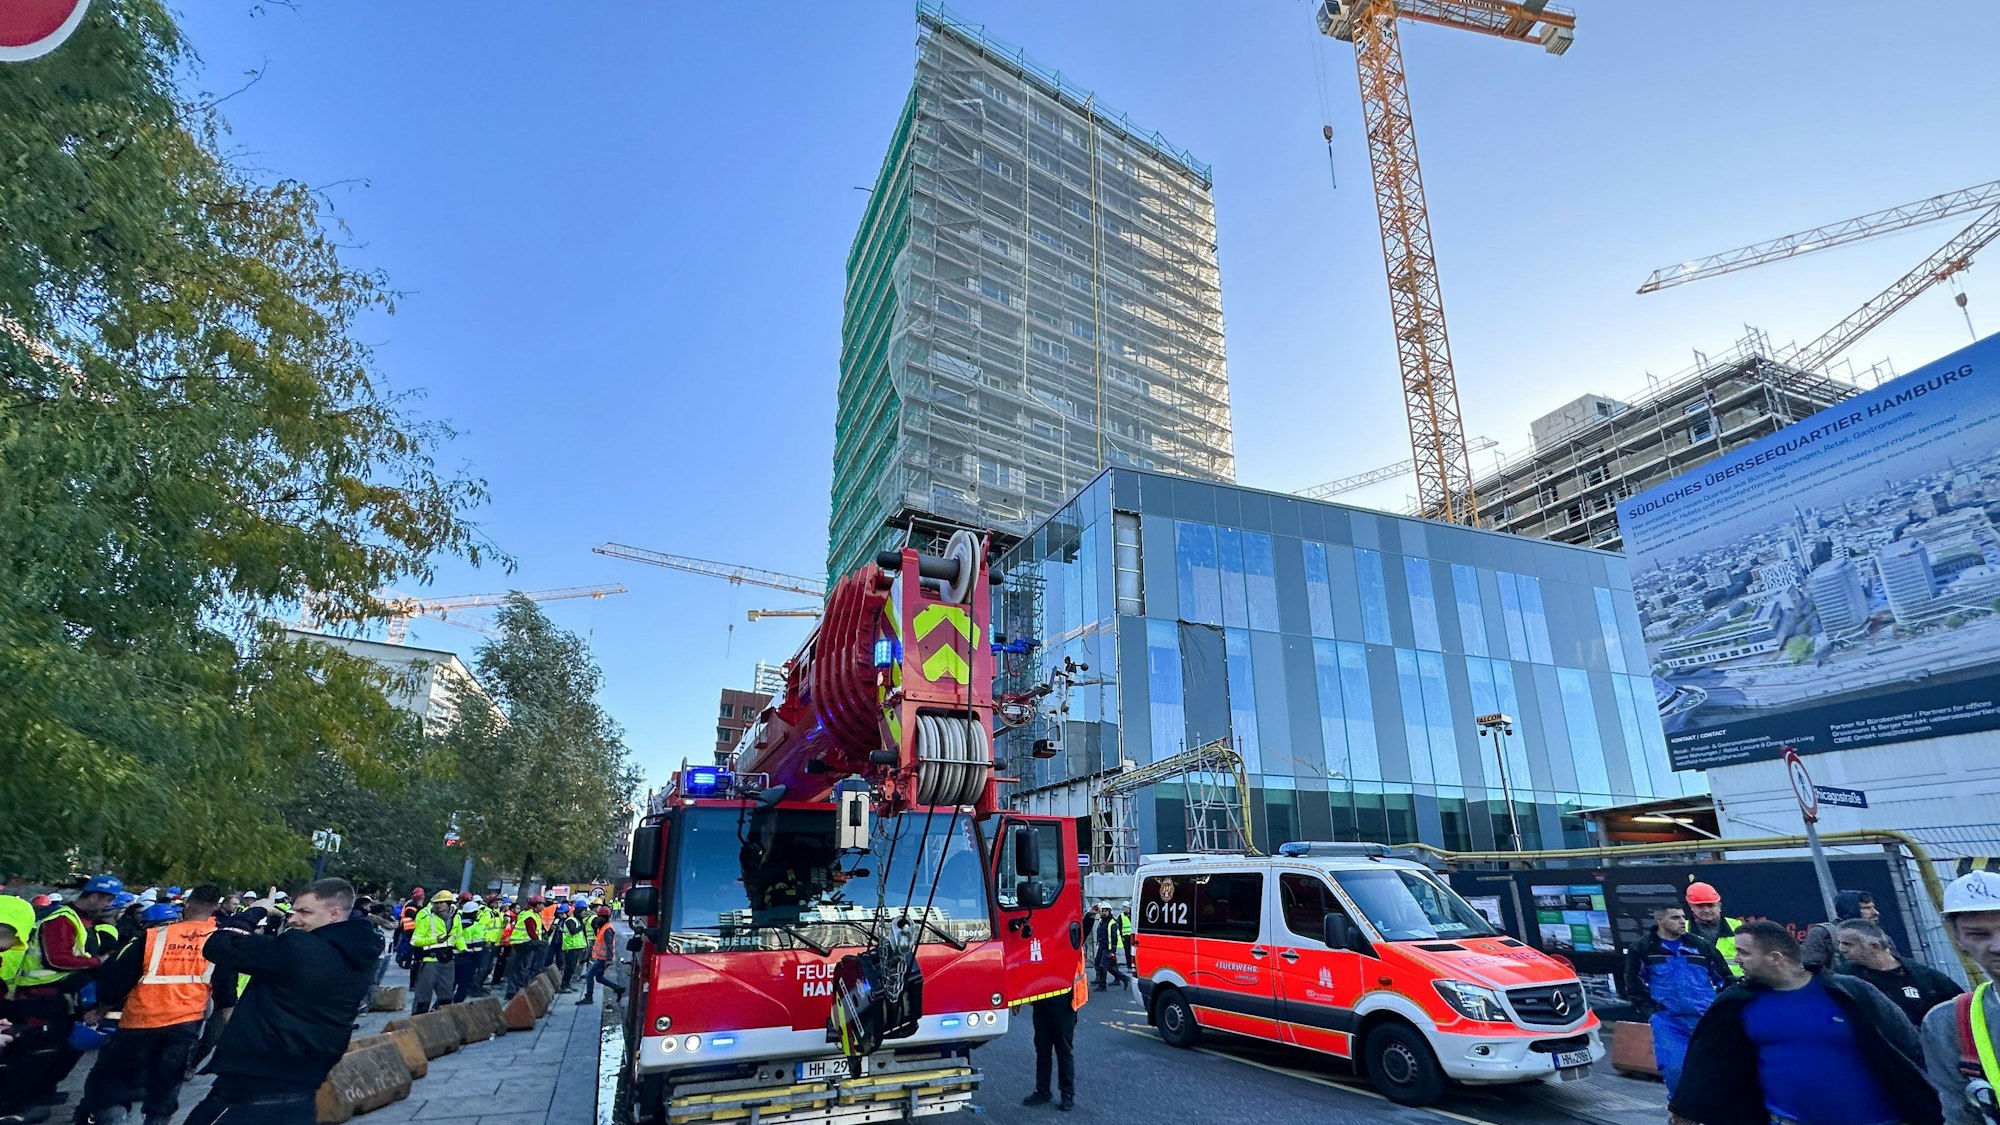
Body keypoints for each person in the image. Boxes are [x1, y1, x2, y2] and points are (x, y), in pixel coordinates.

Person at [1669, 920, 1939, 1125]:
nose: (1737, 960)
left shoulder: (1852, 992)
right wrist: (1685, 1113)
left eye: (1744, 953)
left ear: (1775, 958)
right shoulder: (1736, 1004)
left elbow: (1909, 1043)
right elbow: (1707, 1064)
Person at [183, 879, 378, 1125]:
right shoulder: (358, 955)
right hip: (303, 1088)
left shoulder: (299, 947)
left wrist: (259, 909)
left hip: (251, 1088)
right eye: (293, 911)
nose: (293, 918)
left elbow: (219, 945)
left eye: (305, 912)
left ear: (334, 914)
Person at [76, 896, 224, 1125]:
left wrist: (101, 1008)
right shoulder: (216, 940)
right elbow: (224, 985)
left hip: (141, 1020)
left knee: (113, 1081)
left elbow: (116, 976)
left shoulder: (148, 939)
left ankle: (113, 1119)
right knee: (166, 1083)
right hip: (186, 1022)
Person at [5, 875, 121, 1112]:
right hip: (39, 996)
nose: (108, 906)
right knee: (36, 1052)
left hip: (57, 994)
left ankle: (40, 1093)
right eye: (107, 899)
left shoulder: (80, 920)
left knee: (54, 1050)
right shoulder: (62, 919)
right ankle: (19, 1103)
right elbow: (56, 958)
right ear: (95, 896)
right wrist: (97, 962)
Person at [1623, 902, 1730, 1094]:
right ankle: (1681, 1117)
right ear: (1659, 920)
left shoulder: (1699, 945)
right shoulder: (1643, 948)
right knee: (1675, 1071)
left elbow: (1725, 978)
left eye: (1683, 917)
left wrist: (1720, 1011)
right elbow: (1634, 985)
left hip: (1705, 1020)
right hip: (1669, 1022)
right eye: (1675, 917)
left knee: (1718, 1073)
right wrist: (1651, 1013)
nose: (1682, 922)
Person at [1922, 869, 2000, 1125]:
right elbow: (1960, 1116)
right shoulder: (1949, 1023)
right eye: (1979, 934)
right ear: (1958, 938)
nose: (1997, 946)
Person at [1836, 918, 1963, 1031]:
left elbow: (1961, 1006)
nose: (1842, 949)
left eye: (1848, 944)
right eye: (1840, 943)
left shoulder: (1924, 976)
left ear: (1874, 947)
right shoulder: (1846, 980)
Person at [1024, 950, 1086, 1111]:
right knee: (1042, 1049)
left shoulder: (1071, 935)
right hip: (1041, 1002)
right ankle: (1042, 1090)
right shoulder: (1040, 937)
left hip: (1064, 1004)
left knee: (1063, 1049)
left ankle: (1067, 1094)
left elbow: (1086, 924)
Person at [408, 890, 459, 1015]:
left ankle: (442, 1021)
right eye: (437, 903)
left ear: (449, 904)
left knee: (446, 996)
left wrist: (463, 949)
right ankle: (417, 1021)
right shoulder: (426, 918)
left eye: (442, 903)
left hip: (448, 960)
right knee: (423, 996)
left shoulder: (455, 917)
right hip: (430, 960)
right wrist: (435, 940)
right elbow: (415, 941)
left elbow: (458, 935)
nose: (439, 906)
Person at [1802, 889, 1877, 972]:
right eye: (1866, 908)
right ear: (1851, 909)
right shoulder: (1823, 933)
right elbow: (1810, 969)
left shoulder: (1877, 935)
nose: (1875, 912)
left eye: (1873, 907)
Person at [1685, 881, 1746, 975]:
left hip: (1736, 984)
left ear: (1719, 906)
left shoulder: (1737, 926)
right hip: (1699, 985)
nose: (1706, 910)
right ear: (1691, 907)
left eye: (1710, 905)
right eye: (1700, 906)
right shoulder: (1682, 930)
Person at [579, 908, 624, 1006]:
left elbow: (609, 945)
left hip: (603, 959)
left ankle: (589, 997)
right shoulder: (602, 927)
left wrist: (608, 960)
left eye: (599, 916)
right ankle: (618, 988)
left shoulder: (607, 929)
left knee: (589, 976)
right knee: (599, 978)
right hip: (600, 958)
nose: (597, 918)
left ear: (604, 918)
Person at [504, 897, 545, 1000]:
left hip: (520, 943)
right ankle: (518, 991)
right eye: (542, 904)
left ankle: (514, 991)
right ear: (537, 904)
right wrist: (538, 942)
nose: (544, 906)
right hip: (524, 944)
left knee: (517, 968)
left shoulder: (528, 913)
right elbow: (531, 932)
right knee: (522, 968)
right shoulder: (530, 916)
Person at [451, 898, 488, 1004]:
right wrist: (479, 961)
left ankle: (442, 1004)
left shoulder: (456, 923)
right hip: (469, 960)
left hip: (455, 957)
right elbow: (478, 947)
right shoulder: (476, 926)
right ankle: (456, 1004)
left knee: (452, 983)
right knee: (464, 984)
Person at [1089, 907, 1129, 992]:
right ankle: (1124, 978)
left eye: (1105, 911)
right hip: (1102, 946)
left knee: (1103, 966)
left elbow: (1114, 938)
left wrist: (1112, 951)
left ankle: (1102, 986)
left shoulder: (1112, 922)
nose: (1103, 913)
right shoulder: (1101, 921)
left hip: (1108, 948)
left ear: (1109, 912)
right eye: (1102, 911)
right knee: (1103, 965)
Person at [554, 904, 587, 994]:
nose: (584, 913)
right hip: (570, 947)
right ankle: (564, 985)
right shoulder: (570, 920)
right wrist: (582, 926)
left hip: (576, 947)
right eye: (583, 911)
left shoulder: (577, 920)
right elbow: (573, 931)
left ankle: (567, 983)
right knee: (569, 967)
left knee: (572, 967)